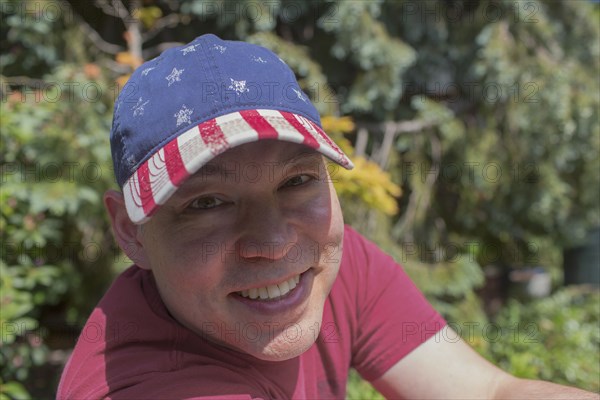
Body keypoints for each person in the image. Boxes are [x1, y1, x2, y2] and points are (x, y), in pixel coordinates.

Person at [57, 33, 598, 399]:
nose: (272, 243)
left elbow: (487, 391)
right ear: (130, 229)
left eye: (296, 181)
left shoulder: (325, 265)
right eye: (206, 203)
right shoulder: (142, 381)